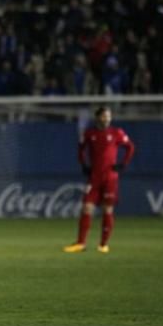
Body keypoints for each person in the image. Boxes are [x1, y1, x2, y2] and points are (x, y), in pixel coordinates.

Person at [63, 107, 135, 254]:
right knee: (86, 207)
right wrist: (84, 165)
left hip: (110, 177)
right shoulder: (90, 133)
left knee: (107, 209)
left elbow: (130, 147)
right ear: (97, 118)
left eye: (108, 116)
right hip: (94, 177)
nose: (107, 119)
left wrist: (123, 164)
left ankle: (103, 244)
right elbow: (81, 149)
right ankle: (81, 243)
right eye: (104, 116)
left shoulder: (117, 133)